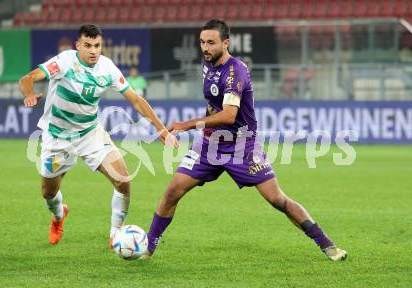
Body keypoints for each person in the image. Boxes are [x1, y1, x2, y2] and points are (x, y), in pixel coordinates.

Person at [145, 20, 347, 261]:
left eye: (211, 42)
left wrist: (185, 125)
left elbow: (230, 115)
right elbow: (214, 105)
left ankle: (327, 245)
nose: (205, 47)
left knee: (277, 199)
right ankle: (147, 248)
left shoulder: (236, 71)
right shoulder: (207, 64)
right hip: (210, 144)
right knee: (172, 192)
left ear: (226, 43)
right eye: (202, 42)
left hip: (242, 146)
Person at [19, 24, 178, 246]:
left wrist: (160, 129)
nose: (93, 51)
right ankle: (58, 216)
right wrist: (28, 94)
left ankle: (116, 235)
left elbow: (136, 100)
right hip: (58, 138)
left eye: (97, 46)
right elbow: (27, 78)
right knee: (48, 193)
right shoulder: (64, 62)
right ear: (78, 46)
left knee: (122, 179)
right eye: (88, 46)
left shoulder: (107, 68)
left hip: (90, 134)